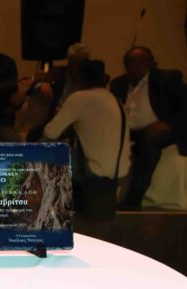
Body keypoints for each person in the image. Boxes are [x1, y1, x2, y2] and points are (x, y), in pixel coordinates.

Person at [44, 60, 131, 215]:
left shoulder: (80, 98)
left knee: (44, 147)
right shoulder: (115, 100)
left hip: (94, 174)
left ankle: (47, 208)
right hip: (121, 176)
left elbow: (49, 133)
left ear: (78, 78)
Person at [110, 46, 187, 209]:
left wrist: (168, 125)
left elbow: (184, 109)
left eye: (140, 62)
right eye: (130, 63)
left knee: (148, 147)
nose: (135, 67)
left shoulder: (167, 80)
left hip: (160, 130)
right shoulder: (118, 84)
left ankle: (134, 199)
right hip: (129, 133)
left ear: (150, 63)